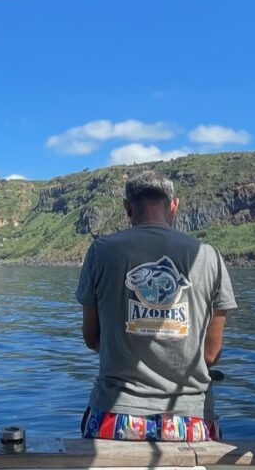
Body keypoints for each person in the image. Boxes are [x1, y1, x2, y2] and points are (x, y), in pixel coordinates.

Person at [75, 169, 236, 441]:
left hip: (114, 420)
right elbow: (210, 354)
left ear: (128, 208)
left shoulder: (101, 251)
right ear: (174, 206)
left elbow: (92, 338)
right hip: (189, 423)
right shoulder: (209, 257)